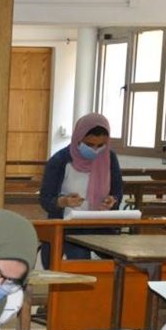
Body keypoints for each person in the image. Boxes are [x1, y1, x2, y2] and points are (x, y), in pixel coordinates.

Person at [38, 112, 124, 262]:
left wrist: (113, 200)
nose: (95, 150)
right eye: (89, 145)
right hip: (67, 227)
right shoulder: (60, 161)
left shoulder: (109, 158)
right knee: (79, 256)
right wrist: (63, 201)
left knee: (120, 258)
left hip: (100, 226)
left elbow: (117, 191)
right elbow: (45, 199)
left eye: (101, 145)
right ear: (78, 139)